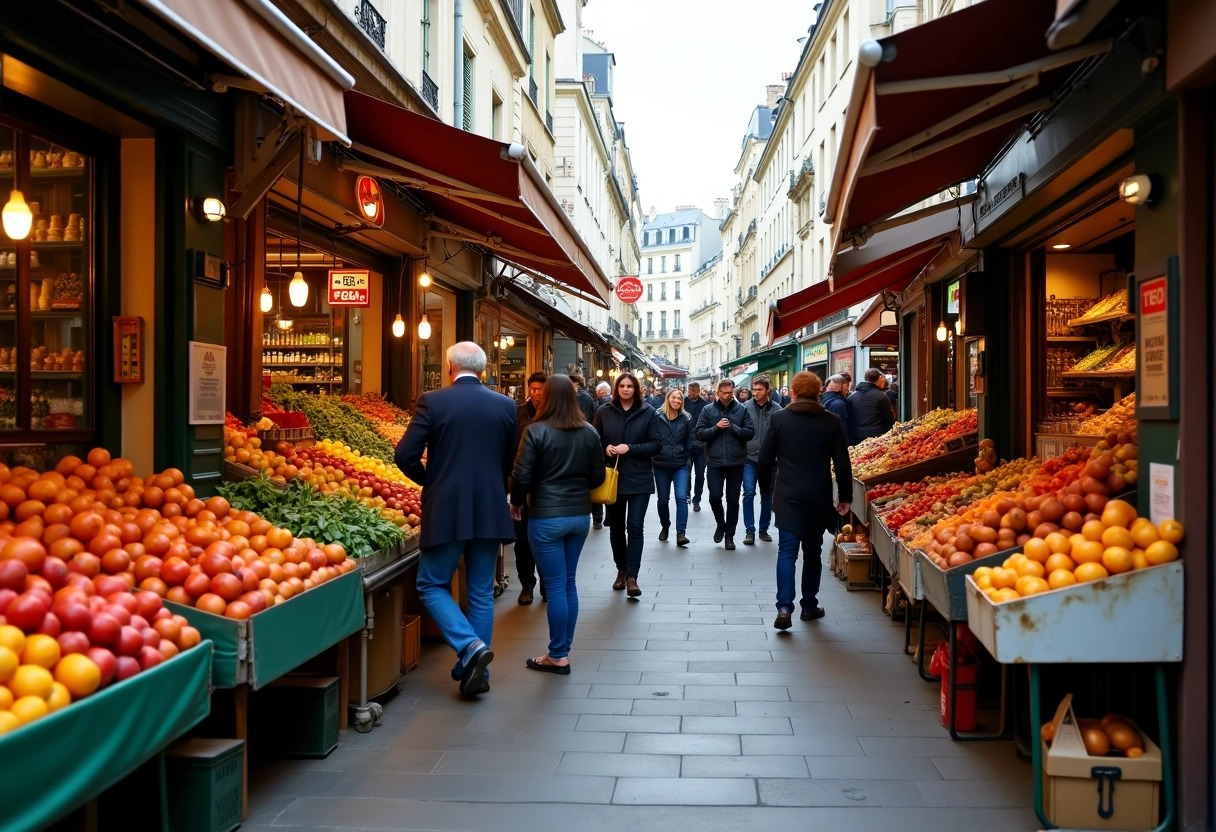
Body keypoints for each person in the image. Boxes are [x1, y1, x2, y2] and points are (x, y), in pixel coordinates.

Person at [396, 342, 516, 697]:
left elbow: (405, 454)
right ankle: (477, 672)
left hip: (447, 506)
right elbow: (507, 460)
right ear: (482, 369)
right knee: (480, 591)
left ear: (449, 366)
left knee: (431, 584)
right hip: (490, 504)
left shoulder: (433, 401)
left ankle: (469, 647)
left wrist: (430, 480)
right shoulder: (505, 405)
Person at [510, 374, 605, 675]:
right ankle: (561, 651)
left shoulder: (535, 431)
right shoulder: (589, 432)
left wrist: (515, 502)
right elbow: (598, 477)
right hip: (579, 516)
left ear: (548, 397)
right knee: (568, 583)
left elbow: (521, 475)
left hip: (546, 516)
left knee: (554, 584)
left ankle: (557, 655)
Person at [757, 371, 852, 630]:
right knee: (812, 552)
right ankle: (808, 605)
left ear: (795, 392)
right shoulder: (830, 421)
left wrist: (764, 487)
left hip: (787, 494)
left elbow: (765, 459)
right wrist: (845, 497)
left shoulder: (779, 419)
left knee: (786, 551)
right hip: (818, 494)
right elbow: (843, 464)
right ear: (819, 391)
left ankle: (784, 608)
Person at [592, 372, 661, 596]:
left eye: (630, 386)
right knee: (616, 529)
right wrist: (606, 448)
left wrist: (629, 447)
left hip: (639, 478)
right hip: (613, 478)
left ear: (636, 389)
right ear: (616, 388)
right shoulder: (604, 411)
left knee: (635, 527)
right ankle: (621, 571)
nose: (625, 389)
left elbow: (656, 444)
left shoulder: (648, 412)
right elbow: (594, 440)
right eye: (622, 385)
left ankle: (633, 577)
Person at [695, 379, 754, 550]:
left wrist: (733, 427)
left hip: (736, 461)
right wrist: (716, 427)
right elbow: (699, 433)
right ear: (718, 392)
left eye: (730, 392)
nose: (728, 395)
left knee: (733, 500)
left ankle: (730, 535)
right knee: (714, 497)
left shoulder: (741, 410)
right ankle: (721, 524)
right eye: (725, 392)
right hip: (714, 461)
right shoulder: (708, 410)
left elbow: (749, 433)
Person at [512, 372, 547, 605]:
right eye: (533, 389)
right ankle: (527, 584)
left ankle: (547, 583)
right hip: (522, 485)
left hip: (546, 488)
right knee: (522, 541)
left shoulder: (555, 415)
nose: (536, 394)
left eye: (540, 389)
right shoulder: (518, 413)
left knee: (544, 539)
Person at [742, 376, 782, 546]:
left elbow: (781, 434)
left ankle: (763, 529)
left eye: (759, 389)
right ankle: (749, 530)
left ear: (767, 391)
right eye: (754, 389)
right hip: (749, 457)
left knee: (766, 496)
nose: (756, 392)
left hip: (769, 459)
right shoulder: (745, 407)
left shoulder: (777, 409)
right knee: (749, 492)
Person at [652, 387, 693, 547]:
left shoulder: (686, 418)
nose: (677, 401)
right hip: (660, 464)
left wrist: (688, 458)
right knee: (662, 499)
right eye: (674, 398)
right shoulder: (657, 416)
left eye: (680, 399)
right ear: (668, 398)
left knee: (681, 497)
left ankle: (681, 532)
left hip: (680, 463)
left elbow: (689, 440)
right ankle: (665, 525)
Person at [846, 367, 896, 444]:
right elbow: (888, 418)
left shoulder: (852, 397)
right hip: (878, 436)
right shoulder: (881, 396)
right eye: (883, 378)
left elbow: (850, 419)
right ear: (880, 378)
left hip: (858, 435)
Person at [684, 382, 709, 512]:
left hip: (700, 444)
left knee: (700, 474)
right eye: (690, 390)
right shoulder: (683, 402)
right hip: (686, 444)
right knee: (686, 472)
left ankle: (697, 499)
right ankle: (687, 494)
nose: (691, 392)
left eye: (694, 390)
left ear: (699, 391)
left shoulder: (705, 405)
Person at [821, 375, 853, 443]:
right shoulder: (839, 404)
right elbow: (843, 428)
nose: (848, 389)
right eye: (846, 386)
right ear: (838, 387)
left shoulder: (822, 400)